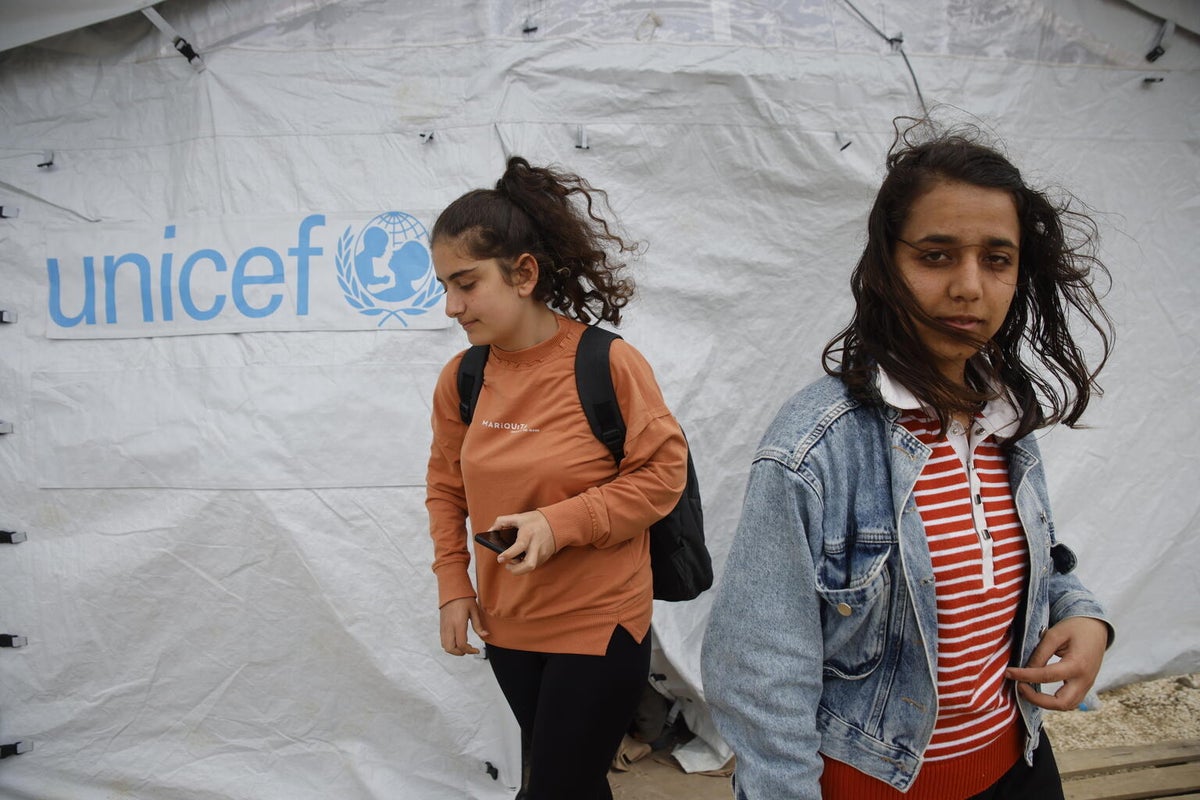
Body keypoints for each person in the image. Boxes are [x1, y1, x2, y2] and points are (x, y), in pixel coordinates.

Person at [701, 121, 1116, 800]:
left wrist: (1085, 615)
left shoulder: (1005, 421)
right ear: (886, 266)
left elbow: (1029, 562)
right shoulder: (815, 446)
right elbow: (758, 669)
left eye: (997, 259)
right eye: (936, 255)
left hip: (1019, 768)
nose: (969, 287)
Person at [425, 156, 688, 799]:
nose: (453, 306)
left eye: (466, 284)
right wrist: (454, 584)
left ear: (523, 274)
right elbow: (445, 487)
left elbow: (663, 473)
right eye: (444, 287)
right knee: (569, 781)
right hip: (508, 624)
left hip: (598, 624)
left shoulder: (608, 363)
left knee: (551, 789)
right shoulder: (462, 378)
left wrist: (558, 522)